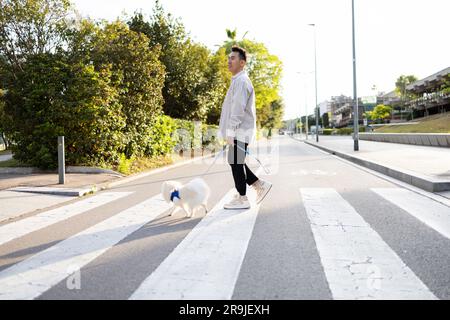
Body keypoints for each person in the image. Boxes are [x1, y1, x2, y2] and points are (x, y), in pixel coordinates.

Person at [218, 45, 272, 210]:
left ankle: (243, 198)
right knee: (235, 161)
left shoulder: (241, 81)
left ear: (242, 63)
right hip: (238, 131)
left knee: (235, 161)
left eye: (232, 58)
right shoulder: (237, 81)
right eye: (228, 58)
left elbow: (238, 109)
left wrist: (230, 131)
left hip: (240, 130)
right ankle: (258, 184)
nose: (229, 61)